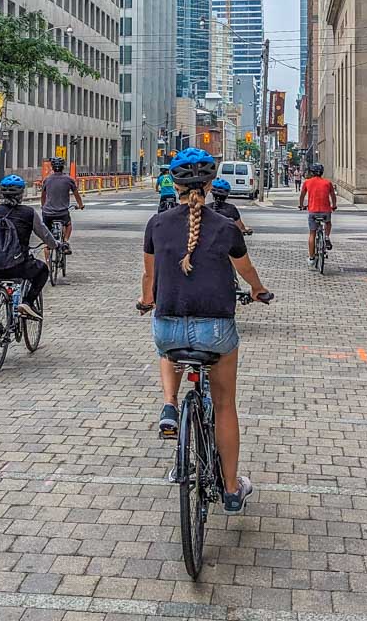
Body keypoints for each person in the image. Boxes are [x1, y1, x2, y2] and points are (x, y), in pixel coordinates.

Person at [138, 146, 272, 514]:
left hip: (169, 329)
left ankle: (170, 404)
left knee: (167, 345)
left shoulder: (157, 224)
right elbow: (245, 271)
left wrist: (147, 299)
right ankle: (231, 489)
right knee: (225, 403)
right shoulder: (227, 227)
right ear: (211, 184)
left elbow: (150, 276)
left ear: (174, 185)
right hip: (216, 332)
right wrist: (258, 292)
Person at [0, 175, 59, 321]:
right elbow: (44, 234)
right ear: (21, 194)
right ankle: (28, 302)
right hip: (19, 265)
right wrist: (55, 245)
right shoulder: (28, 213)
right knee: (42, 270)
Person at [41, 155, 84, 256]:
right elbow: (76, 195)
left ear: (52, 167)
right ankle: (65, 242)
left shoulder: (47, 180)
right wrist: (80, 205)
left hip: (48, 213)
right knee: (68, 225)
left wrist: (43, 207)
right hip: (62, 213)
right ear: (63, 167)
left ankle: (48, 266)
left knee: (47, 240)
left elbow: (43, 197)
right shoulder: (69, 180)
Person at [299, 162, 336, 268]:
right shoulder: (327, 183)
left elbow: (302, 196)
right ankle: (327, 237)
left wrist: (301, 205)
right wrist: (334, 206)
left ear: (312, 172)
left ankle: (311, 258)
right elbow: (333, 196)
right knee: (328, 223)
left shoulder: (307, 182)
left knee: (312, 233)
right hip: (326, 210)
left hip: (313, 211)